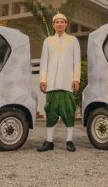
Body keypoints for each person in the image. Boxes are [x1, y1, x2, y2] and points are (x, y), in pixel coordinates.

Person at [37, 13, 81, 152]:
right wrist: (43, 80)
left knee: (68, 111)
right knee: (50, 111)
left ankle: (69, 141)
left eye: (62, 22)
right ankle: (49, 142)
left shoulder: (73, 40)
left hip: (67, 83)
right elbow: (44, 62)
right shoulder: (47, 41)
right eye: (57, 22)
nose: (60, 24)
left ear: (66, 24)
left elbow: (77, 62)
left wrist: (76, 79)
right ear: (53, 25)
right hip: (52, 84)